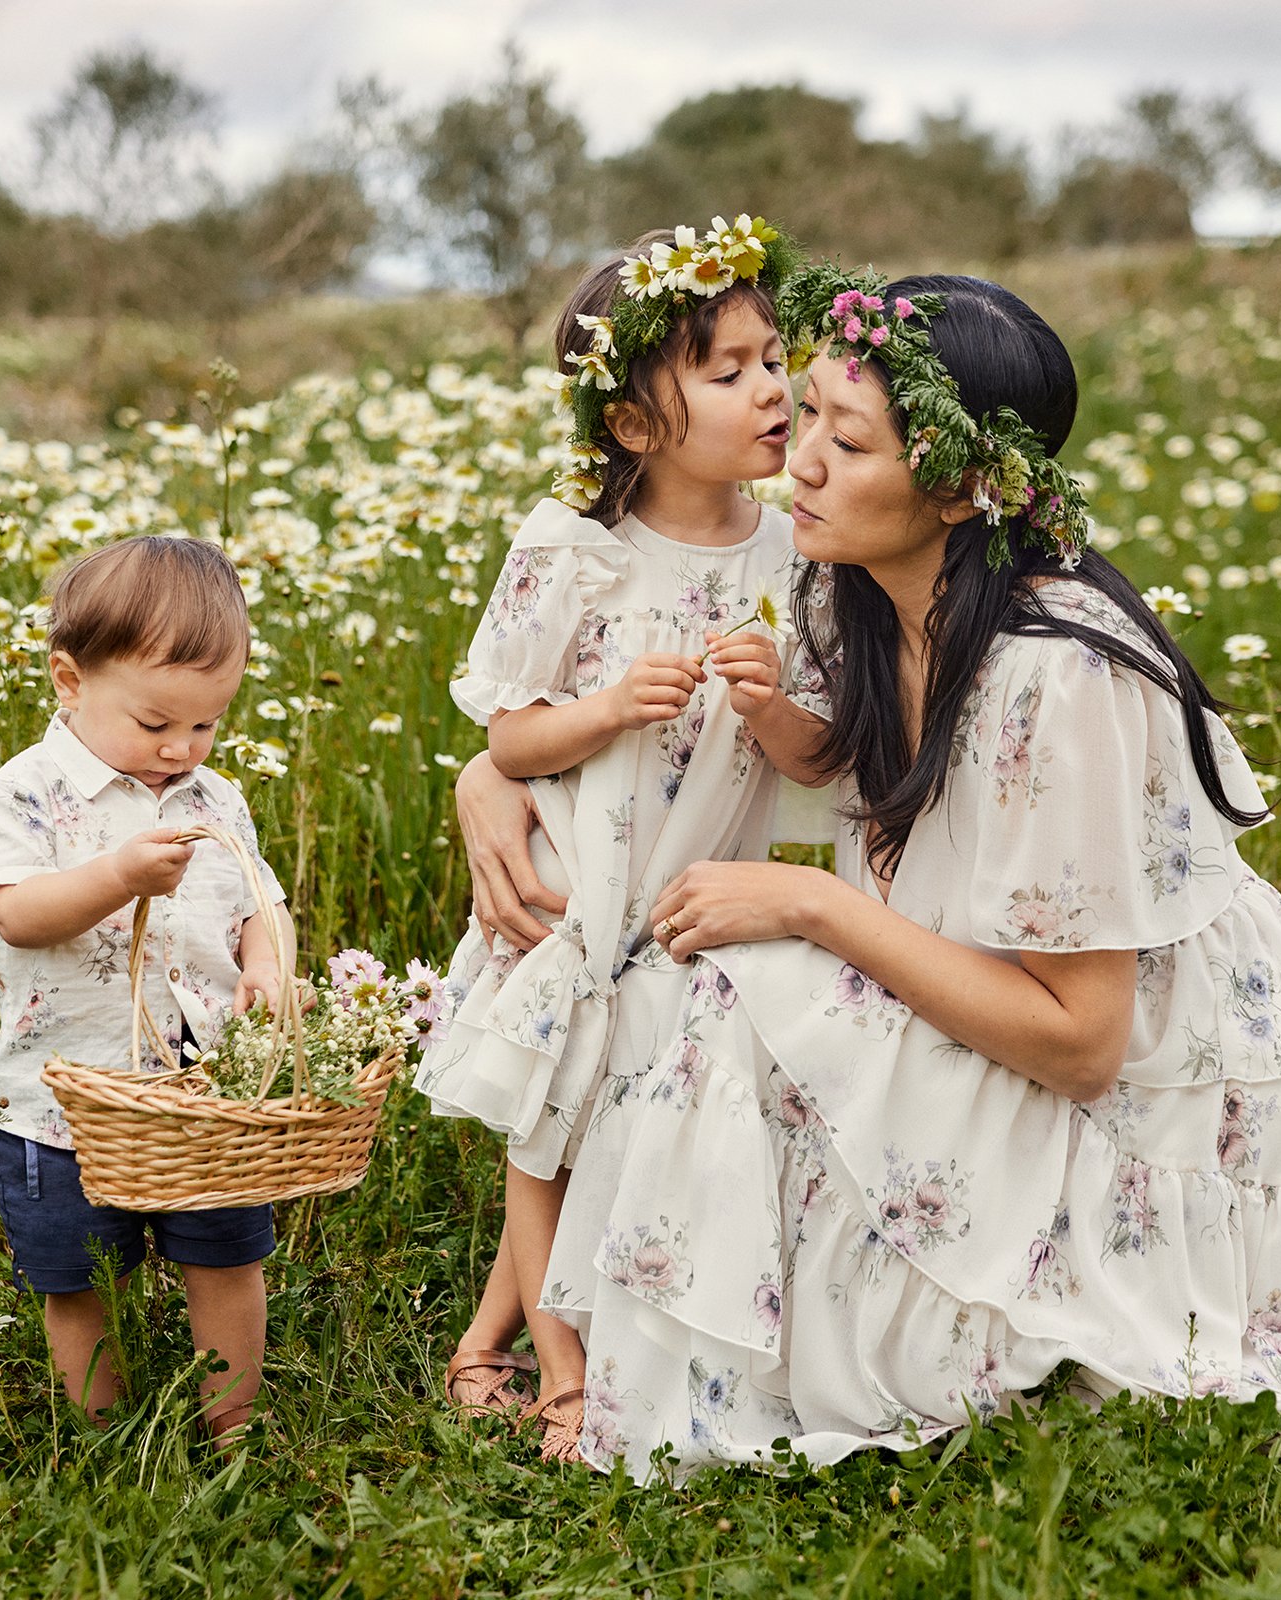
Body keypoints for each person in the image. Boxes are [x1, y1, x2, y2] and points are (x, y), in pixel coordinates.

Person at [459, 269, 1281, 1481]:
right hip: (976, 992)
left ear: (958, 486)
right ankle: (617, 1343)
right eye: (807, 415)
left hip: (1137, 1091)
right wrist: (490, 777)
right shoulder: (855, 596)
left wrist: (813, 906)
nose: (801, 461)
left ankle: (672, 1367)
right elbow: (703, 744)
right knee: (674, 990)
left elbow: (1084, 1040)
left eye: (849, 439)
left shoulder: (1059, 676)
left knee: (717, 991)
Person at [419, 217, 833, 1460]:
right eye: (730, 371)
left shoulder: (792, 553)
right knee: (549, 1136)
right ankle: (561, 1375)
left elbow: (816, 761)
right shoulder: (573, 552)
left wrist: (768, 702)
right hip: (578, 894)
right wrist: (604, 709)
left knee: (598, 1126)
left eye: (775, 358)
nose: (774, 390)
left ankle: (477, 1344)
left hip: (691, 897)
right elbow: (508, 735)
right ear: (634, 426)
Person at [0, 535, 294, 1445]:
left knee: (227, 1260)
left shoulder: (214, 798)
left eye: (206, 725)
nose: (181, 749)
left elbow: (260, 897)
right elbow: (16, 911)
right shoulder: (26, 794)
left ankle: (235, 1430)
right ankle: (101, 1439)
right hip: (61, 1099)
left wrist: (269, 961)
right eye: (156, 725)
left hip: (202, 1098)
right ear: (69, 681)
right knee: (78, 1281)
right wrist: (118, 876)